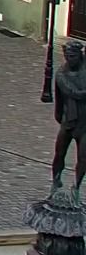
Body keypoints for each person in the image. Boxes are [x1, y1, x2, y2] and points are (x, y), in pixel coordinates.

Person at [52, 40, 86, 195]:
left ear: (80, 55)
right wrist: (59, 115)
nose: (69, 59)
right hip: (68, 120)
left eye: (72, 56)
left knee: (83, 158)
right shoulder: (61, 74)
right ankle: (56, 180)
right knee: (59, 153)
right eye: (67, 56)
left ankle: (76, 188)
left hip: (85, 123)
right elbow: (68, 94)